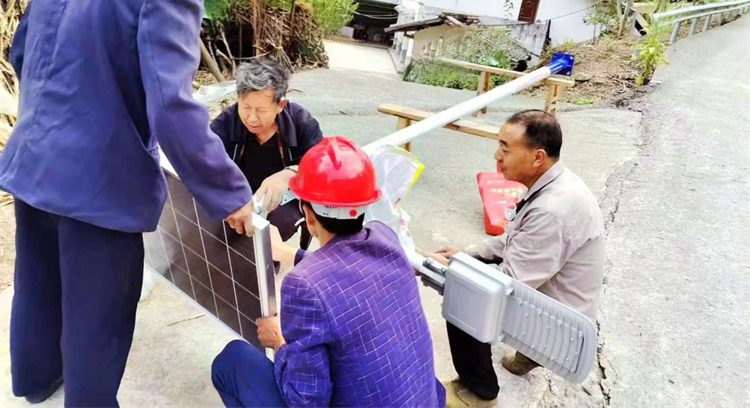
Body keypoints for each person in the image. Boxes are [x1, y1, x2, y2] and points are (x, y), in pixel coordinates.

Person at [0, 0, 257, 407]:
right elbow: (174, 110)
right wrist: (230, 195)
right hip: (100, 185)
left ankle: (35, 382)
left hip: (32, 160)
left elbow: (20, 51)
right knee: (98, 314)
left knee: (39, 282)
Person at [211, 137, 446, 408]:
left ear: (307, 214)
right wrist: (289, 254)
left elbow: (306, 401)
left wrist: (279, 343)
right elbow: (348, 266)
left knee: (232, 360)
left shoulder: (304, 286)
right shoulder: (385, 238)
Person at [426, 110, 605, 408]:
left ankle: (480, 392)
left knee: (466, 291)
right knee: (467, 268)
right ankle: (531, 355)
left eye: (505, 148)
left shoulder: (553, 210)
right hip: (556, 301)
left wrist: (454, 269)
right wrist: (465, 254)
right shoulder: (555, 181)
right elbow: (514, 238)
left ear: (537, 157)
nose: (497, 155)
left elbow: (508, 281)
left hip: (562, 328)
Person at [210, 59, 322, 248]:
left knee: (274, 229)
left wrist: (290, 173)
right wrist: (235, 199)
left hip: (286, 199)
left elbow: (322, 166)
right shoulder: (227, 122)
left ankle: (269, 265)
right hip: (238, 192)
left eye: (261, 110)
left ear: (280, 105)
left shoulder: (302, 123)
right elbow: (207, 164)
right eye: (246, 107)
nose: (252, 118)